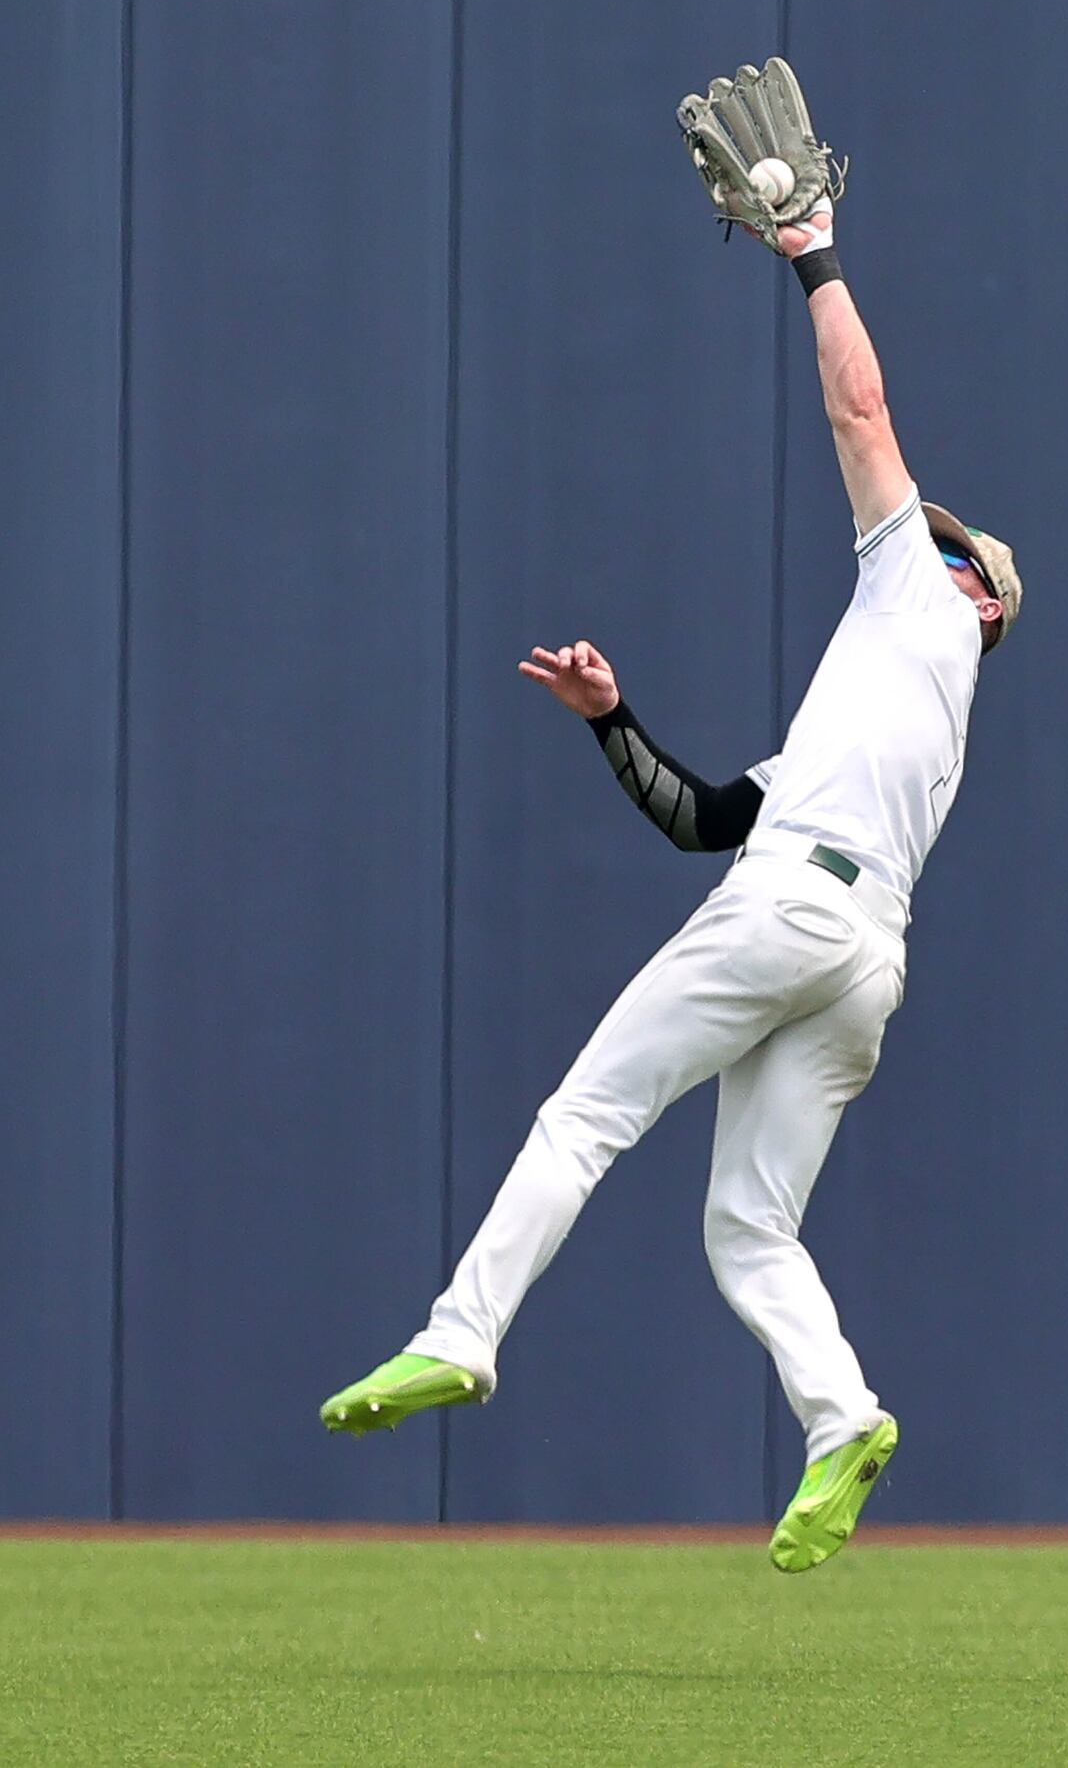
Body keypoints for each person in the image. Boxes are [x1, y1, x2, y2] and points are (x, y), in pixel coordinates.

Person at [320, 181, 1022, 1574]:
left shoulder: (926, 597)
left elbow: (863, 413)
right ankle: (845, 1419)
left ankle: (460, 1332)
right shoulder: (895, 723)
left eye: (942, 533)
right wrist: (610, 722)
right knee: (748, 1224)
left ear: (980, 593)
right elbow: (704, 819)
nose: (912, 522)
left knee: (585, 1113)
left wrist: (814, 255)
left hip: (797, 908)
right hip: (860, 950)